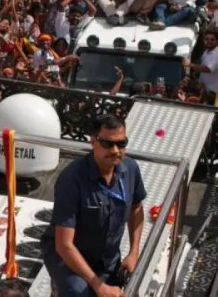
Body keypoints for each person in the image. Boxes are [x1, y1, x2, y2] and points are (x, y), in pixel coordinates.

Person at [42, 114, 146, 297]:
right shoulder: (71, 179)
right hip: (68, 257)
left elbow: (136, 209)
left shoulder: (130, 169)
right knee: (79, 291)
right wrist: (99, 285)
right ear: (93, 141)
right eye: (107, 144)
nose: (115, 150)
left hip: (106, 258)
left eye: (121, 143)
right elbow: (64, 245)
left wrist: (134, 253)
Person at [183, 30, 218, 104]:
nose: (209, 41)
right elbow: (202, 67)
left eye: (212, 39)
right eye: (207, 39)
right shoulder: (206, 52)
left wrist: (190, 64)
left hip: (213, 93)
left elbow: (208, 69)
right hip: (203, 90)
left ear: (217, 41)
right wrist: (195, 74)